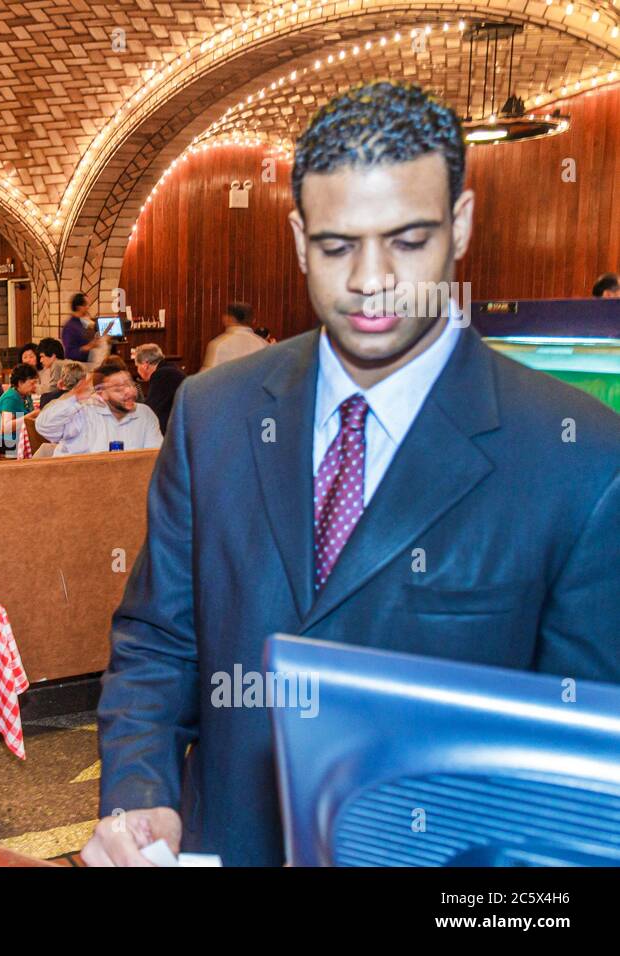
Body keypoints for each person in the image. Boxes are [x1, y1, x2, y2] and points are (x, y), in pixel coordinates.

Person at [83, 82, 620, 870]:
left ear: (460, 226)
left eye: (407, 240)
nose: (371, 281)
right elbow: (161, 641)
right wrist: (139, 799)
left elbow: (580, 779)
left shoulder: (579, 459)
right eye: (337, 246)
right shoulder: (215, 412)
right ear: (300, 238)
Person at [35, 360, 162, 456]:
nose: (129, 391)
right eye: (118, 389)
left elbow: (153, 458)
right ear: (102, 394)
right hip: (76, 484)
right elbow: (44, 426)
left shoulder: (144, 414)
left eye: (130, 384)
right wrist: (74, 397)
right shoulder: (84, 411)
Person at [133, 343, 186, 433]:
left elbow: (151, 409)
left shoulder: (161, 375)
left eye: (137, 366)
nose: (137, 371)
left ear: (145, 365)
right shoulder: (169, 369)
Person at [200, 302, 268, 370]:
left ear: (227, 318)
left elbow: (208, 377)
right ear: (253, 320)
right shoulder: (263, 344)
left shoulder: (219, 344)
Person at [0, 363, 39, 457]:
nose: (35, 386)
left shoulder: (25, 395)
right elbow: (5, 427)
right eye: (32, 383)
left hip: (20, 437)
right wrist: (31, 416)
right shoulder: (11, 398)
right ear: (20, 383)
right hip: (9, 442)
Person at [61, 293, 106, 363]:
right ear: (79, 307)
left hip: (90, 361)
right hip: (77, 365)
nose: (89, 307)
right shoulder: (69, 327)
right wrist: (89, 346)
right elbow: (70, 353)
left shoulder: (84, 322)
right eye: (87, 305)